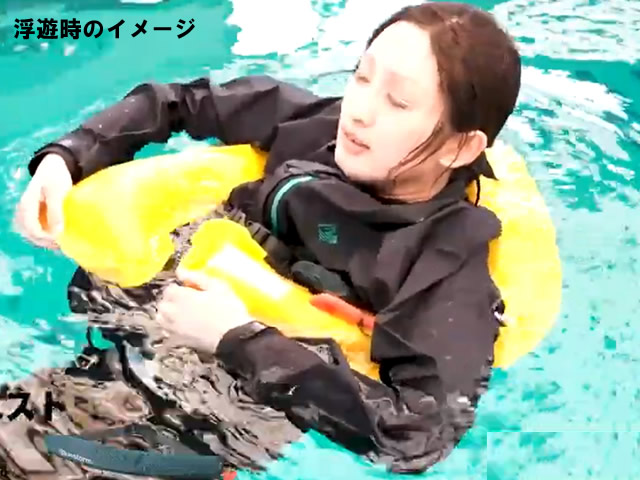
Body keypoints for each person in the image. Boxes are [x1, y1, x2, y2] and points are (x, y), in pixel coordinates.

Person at [14, 2, 521, 474]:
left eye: (398, 101)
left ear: (460, 147)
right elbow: (178, 101)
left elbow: (420, 436)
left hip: (205, 422)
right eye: (362, 77)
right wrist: (67, 157)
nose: (360, 111)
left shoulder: (444, 271)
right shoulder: (316, 127)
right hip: (122, 347)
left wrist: (238, 339)